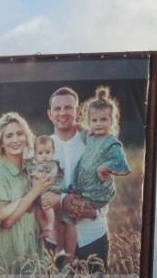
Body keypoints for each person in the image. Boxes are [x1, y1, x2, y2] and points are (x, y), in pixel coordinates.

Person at [39, 87, 110, 268]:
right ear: (49, 114)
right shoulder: (42, 149)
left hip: (93, 236)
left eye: (68, 107)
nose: (62, 113)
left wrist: (95, 211)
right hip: (55, 241)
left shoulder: (93, 142)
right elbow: (36, 191)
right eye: (57, 108)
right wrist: (61, 199)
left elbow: (107, 188)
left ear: (78, 111)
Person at [61, 86, 131, 259]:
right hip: (83, 187)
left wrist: (105, 167)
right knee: (70, 213)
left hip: (97, 190)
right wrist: (77, 126)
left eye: (104, 119)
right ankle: (70, 256)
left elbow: (122, 164)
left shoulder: (112, 143)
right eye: (94, 120)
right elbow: (82, 132)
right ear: (89, 121)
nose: (99, 124)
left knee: (74, 213)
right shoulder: (90, 136)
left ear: (112, 121)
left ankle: (70, 255)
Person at [0, 112, 50, 272]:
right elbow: (6, 221)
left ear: (26, 137)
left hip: (33, 249)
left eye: (19, 134)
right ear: (1, 142)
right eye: (9, 136)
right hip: (11, 253)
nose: (15, 140)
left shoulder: (32, 167)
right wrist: (34, 192)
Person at [24, 135, 64, 247]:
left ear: (53, 152)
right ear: (35, 154)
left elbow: (51, 174)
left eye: (47, 152)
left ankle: (50, 224)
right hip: (39, 194)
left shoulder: (52, 164)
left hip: (50, 191)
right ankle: (45, 228)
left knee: (46, 205)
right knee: (38, 212)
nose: (44, 156)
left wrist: (37, 174)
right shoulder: (35, 165)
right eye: (40, 153)